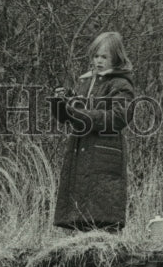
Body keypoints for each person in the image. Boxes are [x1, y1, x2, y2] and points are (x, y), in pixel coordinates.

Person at [52, 32, 134, 232]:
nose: (98, 61)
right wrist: (61, 104)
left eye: (104, 57)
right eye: (96, 56)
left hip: (105, 153)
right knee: (79, 219)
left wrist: (82, 113)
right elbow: (67, 118)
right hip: (81, 153)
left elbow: (118, 118)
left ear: (115, 58)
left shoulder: (120, 84)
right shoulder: (86, 82)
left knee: (103, 219)